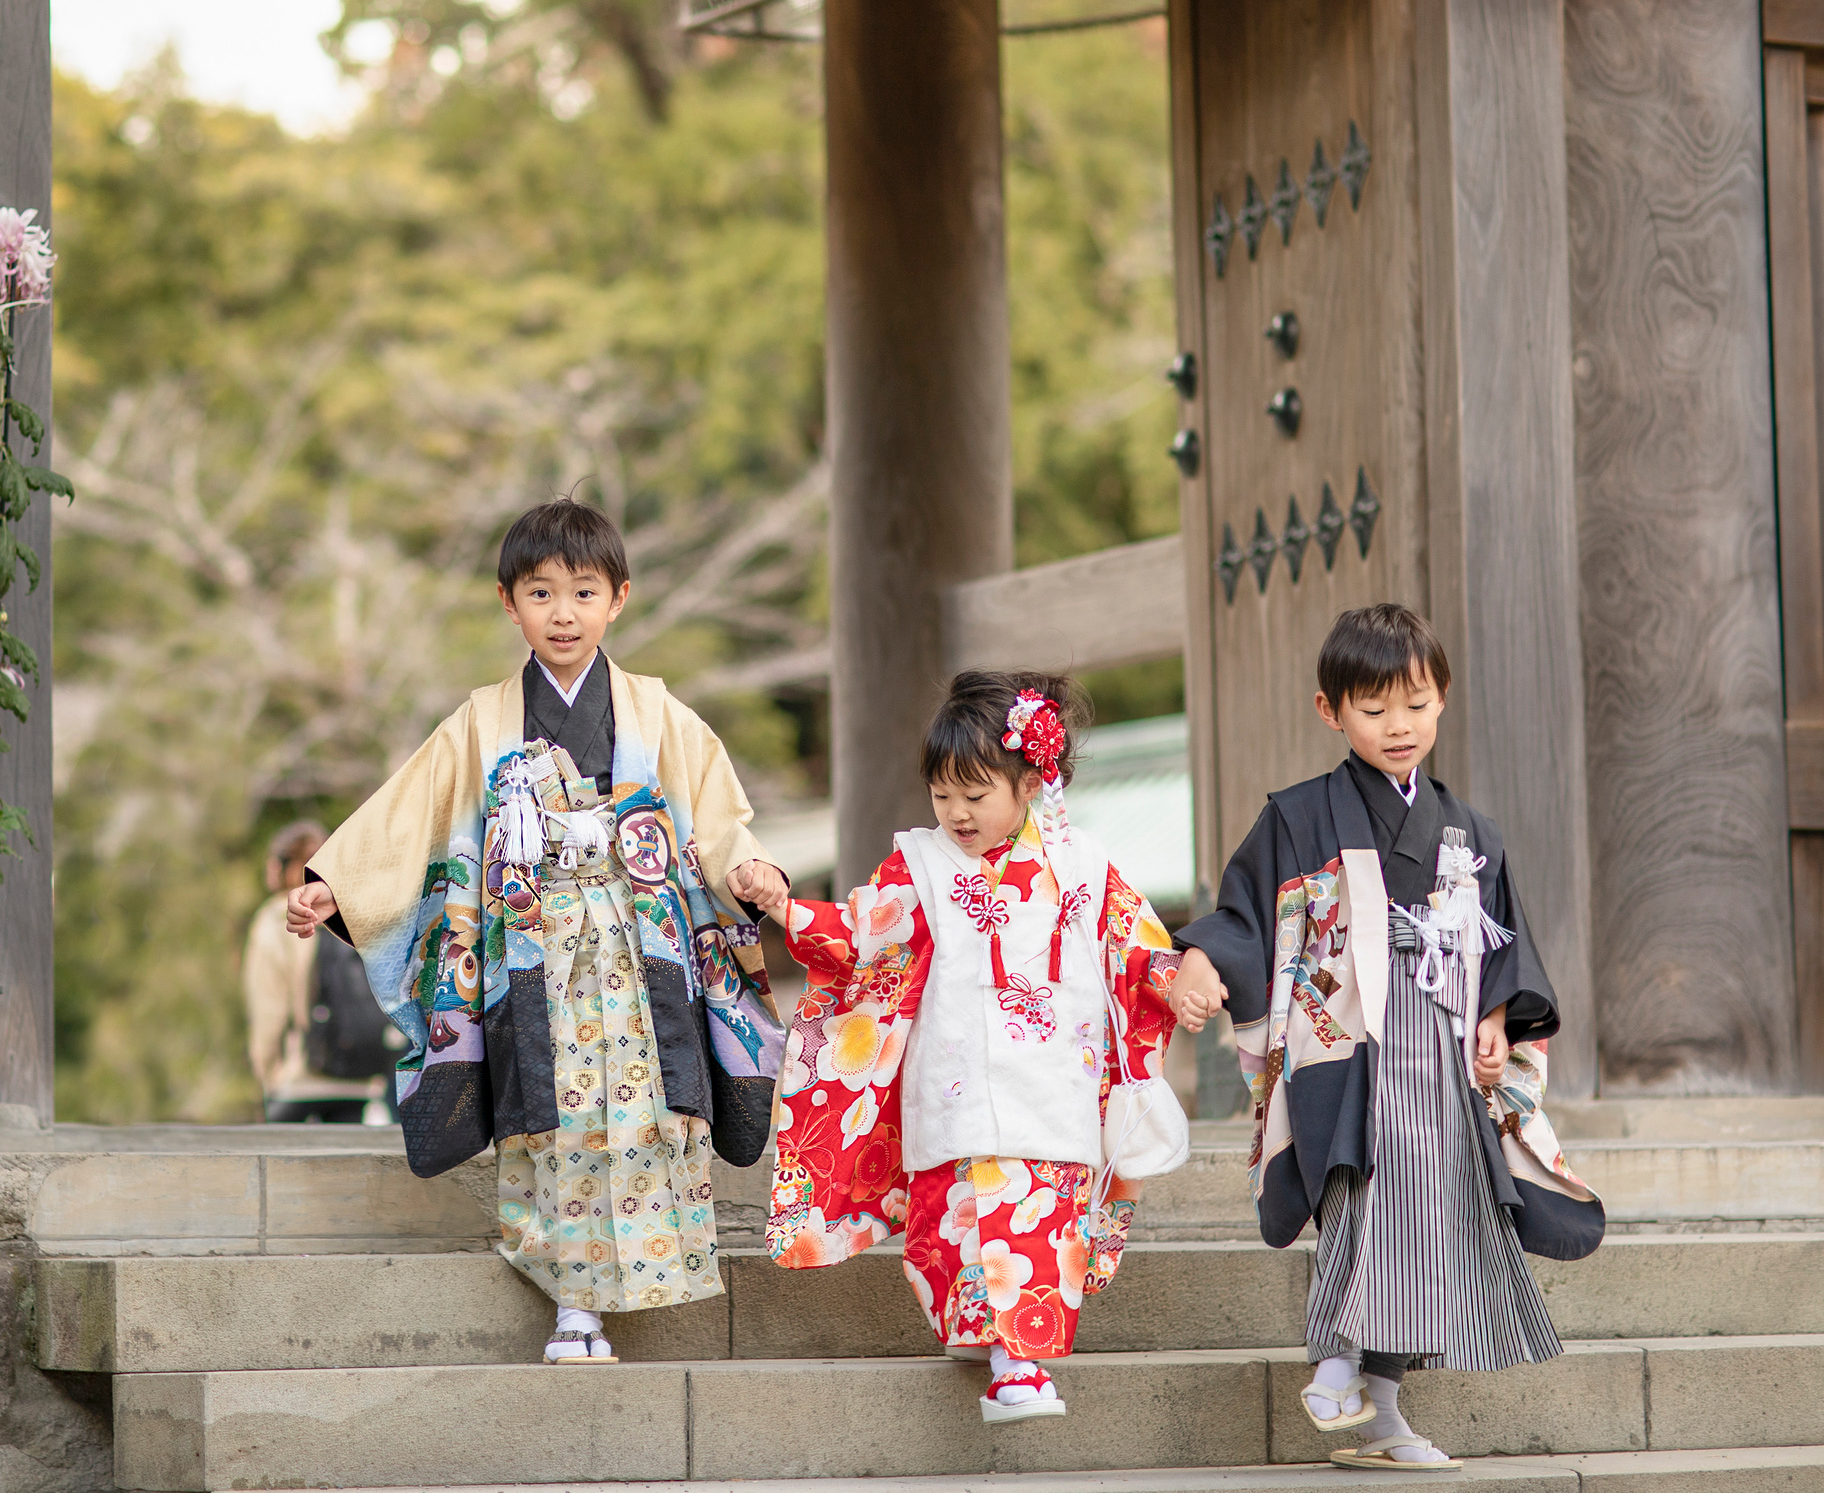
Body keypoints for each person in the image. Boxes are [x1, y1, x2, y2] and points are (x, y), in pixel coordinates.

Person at [285, 497, 790, 1365]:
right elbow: (408, 813)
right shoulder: (480, 718)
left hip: (640, 946)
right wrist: (338, 883)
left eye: (583, 592)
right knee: (548, 1114)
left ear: (618, 599)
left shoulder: (657, 712)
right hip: (529, 945)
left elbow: (716, 817)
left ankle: (635, 1273)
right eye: (542, 593)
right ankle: (573, 1302)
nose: (564, 612)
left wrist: (750, 870)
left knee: (638, 1105)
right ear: (506, 602)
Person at [1166, 604, 1604, 1471]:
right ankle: (1337, 1358)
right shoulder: (1297, 815)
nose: (1399, 725)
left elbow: (1501, 939)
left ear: (1442, 699)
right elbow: (1242, 912)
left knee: (1431, 1216)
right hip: (1350, 1045)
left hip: (1440, 1045)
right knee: (1359, 1190)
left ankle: (1382, 1416)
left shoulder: (1470, 829)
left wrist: (1493, 1015)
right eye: (1373, 709)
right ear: (1331, 711)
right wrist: (1199, 959)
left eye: (1416, 702)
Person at [765, 671, 1181, 1424]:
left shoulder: (1081, 863)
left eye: (976, 793)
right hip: (954, 1082)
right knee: (957, 1221)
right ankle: (985, 1336)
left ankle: (1017, 1362)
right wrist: (783, 906)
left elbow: (1136, 944)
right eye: (942, 793)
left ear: (1028, 782)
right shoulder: (919, 864)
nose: (955, 812)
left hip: (1052, 1083)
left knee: (1030, 1220)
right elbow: (864, 935)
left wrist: (1178, 979)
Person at [245, 819, 394, 1122]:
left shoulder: (276, 920)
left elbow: (269, 1009)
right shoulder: (353, 912)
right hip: (359, 1082)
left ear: (288, 865)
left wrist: (268, 1072)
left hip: (299, 1080)